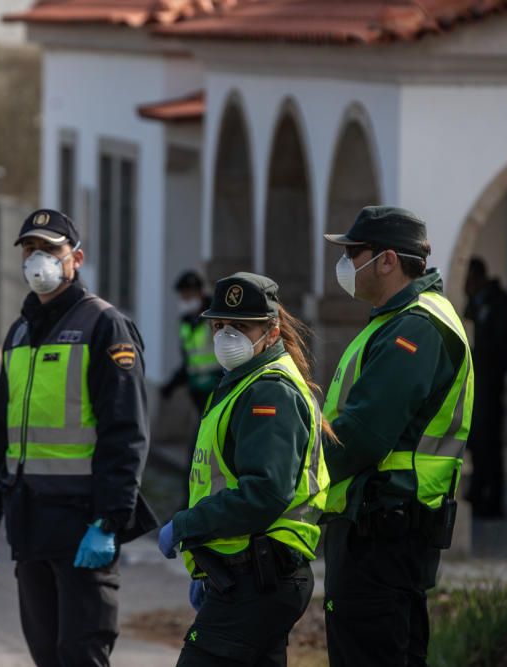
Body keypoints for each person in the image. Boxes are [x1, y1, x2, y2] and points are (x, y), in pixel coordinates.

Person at [0, 209, 156, 667]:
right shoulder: (19, 333)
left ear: (76, 258)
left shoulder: (105, 327)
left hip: (81, 524)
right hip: (29, 521)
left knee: (81, 655)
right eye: (29, 250)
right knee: (47, 656)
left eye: (49, 249)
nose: (37, 259)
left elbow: (126, 433)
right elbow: (1, 437)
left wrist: (110, 519)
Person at [320, 206, 474, 666]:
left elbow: (362, 434)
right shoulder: (399, 320)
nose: (345, 264)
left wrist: (291, 469)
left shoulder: (414, 328)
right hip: (382, 525)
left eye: (353, 253)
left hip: (384, 529)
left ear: (387, 260)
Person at [157, 272, 330, 666]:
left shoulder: (268, 391)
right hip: (245, 573)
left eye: (240, 326)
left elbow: (264, 493)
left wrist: (187, 525)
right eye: (219, 325)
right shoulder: (243, 383)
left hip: (260, 575)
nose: (225, 336)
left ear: (270, 331)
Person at [463, 257, 507, 518]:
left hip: (490, 384)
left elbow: (499, 350)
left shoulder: (500, 307)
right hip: (478, 383)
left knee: (490, 443)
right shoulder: (478, 304)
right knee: (477, 441)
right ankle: (477, 492)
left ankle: (492, 500)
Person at [161, 270, 224, 413]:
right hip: (197, 388)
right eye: (183, 296)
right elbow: (188, 360)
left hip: (217, 385)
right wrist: (172, 384)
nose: (185, 300)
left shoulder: (215, 317)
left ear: (200, 293)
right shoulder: (186, 322)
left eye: (189, 295)